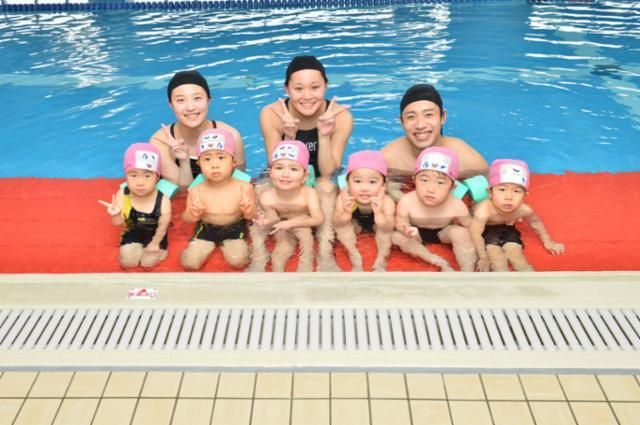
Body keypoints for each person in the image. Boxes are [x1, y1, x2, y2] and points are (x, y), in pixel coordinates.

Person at [259, 55, 353, 270]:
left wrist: (324, 134)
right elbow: (276, 166)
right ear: (286, 89)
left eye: (315, 87)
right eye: (298, 89)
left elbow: (328, 172)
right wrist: (289, 136)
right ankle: (265, 250)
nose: (307, 96)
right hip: (285, 173)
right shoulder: (271, 114)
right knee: (259, 190)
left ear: (326, 86)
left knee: (327, 187)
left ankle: (325, 249)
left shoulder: (341, 117)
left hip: (321, 176)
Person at [149, 70, 245, 189]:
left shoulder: (231, 136)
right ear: (170, 104)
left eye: (197, 98)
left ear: (209, 100)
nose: (190, 107)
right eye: (181, 100)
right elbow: (182, 191)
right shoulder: (160, 142)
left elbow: (239, 180)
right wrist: (184, 161)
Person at [381, 84, 488, 188]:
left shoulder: (468, 161)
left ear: (443, 117)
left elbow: (490, 193)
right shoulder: (388, 160)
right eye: (411, 117)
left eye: (428, 115)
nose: (420, 125)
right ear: (401, 122)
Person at [180, 128, 256, 270]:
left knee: (238, 261)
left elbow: (252, 216)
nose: (214, 165)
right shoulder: (196, 190)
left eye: (221, 158)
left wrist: (249, 210)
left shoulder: (244, 187)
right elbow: (186, 219)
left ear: (233, 161)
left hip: (234, 227)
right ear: (199, 164)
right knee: (190, 263)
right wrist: (192, 214)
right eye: (207, 159)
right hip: (206, 227)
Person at [470, 159, 565, 271]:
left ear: (525, 196)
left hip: (507, 227)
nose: (509, 197)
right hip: (486, 228)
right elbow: (475, 233)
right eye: (502, 189)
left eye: (516, 191)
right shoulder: (484, 210)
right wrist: (483, 257)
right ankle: (501, 277)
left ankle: (528, 276)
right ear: (490, 192)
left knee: (516, 254)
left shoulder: (524, 210)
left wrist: (548, 242)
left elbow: (536, 223)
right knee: (495, 256)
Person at [392, 147, 477, 271]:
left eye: (440, 182)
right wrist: (406, 229)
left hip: (442, 233)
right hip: (416, 234)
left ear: (452, 188)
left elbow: (471, 228)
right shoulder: (407, 201)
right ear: (414, 180)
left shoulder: (456, 205)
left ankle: (467, 270)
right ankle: (436, 261)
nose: (431, 189)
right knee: (396, 236)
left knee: (461, 233)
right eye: (424, 180)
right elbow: (400, 222)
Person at [249, 140, 324, 272]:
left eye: (293, 169)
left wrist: (291, 223)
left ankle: (305, 272)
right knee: (279, 252)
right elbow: (274, 218)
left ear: (305, 176)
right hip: (282, 225)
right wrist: (266, 221)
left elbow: (318, 219)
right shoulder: (267, 197)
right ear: (270, 173)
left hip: (303, 222)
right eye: (279, 168)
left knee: (307, 244)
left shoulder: (309, 194)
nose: (285, 174)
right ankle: (277, 275)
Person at [99, 143, 171, 269]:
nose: (140, 183)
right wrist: (116, 214)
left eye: (147, 176)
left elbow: (162, 227)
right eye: (133, 175)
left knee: (147, 264)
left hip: (155, 233)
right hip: (133, 230)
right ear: (126, 176)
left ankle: (159, 251)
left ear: (157, 177)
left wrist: (155, 243)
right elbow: (118, 223)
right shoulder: (123, 194)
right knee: (127, 263)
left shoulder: (163, 200)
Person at [332, 150, 395, 271]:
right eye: (357, 181)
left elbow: (389, 227)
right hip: (356, 224)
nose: (364, 188)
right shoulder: (345, 198)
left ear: (384, 184)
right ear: (347, 182)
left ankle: (381, 259)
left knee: (384, 233)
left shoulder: (386, 202)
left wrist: (379, 214)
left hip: (377, 225)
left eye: (372, 182)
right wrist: (346, 213)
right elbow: (336, 223)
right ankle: (354, 254)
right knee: (344, 228)